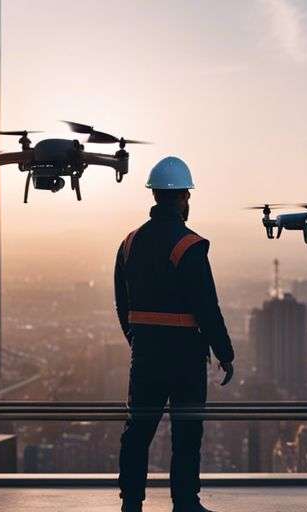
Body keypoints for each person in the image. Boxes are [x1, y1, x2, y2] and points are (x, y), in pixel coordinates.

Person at [115, 156, 235, 512]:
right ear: (184, 196)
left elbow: (122, 304)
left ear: (154, 195)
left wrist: (137, 339)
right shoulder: (190, 246)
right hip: (185, 357)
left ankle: (131, 503)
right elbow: (207, 306)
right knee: (186, 432)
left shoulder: (129, 243)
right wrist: (224, 352)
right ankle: (185, 503)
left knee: (138, 430)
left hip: (147, 354)